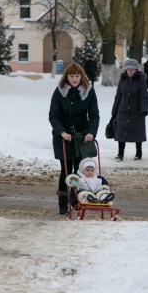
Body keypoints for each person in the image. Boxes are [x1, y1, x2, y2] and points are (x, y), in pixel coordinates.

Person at [49, 63, 100, 215]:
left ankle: (78, 202)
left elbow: (94, 115)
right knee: (66, 171)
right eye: (71, 76)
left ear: (81, 77)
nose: (74, 79)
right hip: (64, 139)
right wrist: (62, 132)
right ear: (66, 77)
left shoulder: (89, 92)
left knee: (80, 171)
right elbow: (54, 115)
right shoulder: (59, 92)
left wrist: (91, 132)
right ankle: (63, 205)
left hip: (82, 138)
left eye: (77, 76)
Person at [112, 58, 148, 161]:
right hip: (123, 111)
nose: (130, 71)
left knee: (138, 133)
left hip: (137, 112)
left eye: (132, 69)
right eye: (128, 70)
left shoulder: (141, 81)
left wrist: (144, 109)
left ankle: (138, 153)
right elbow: (118, 96)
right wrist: (114, 111)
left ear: (136, 70)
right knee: (121, 133)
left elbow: (144, 97)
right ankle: (120, 154)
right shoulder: (122, 80)